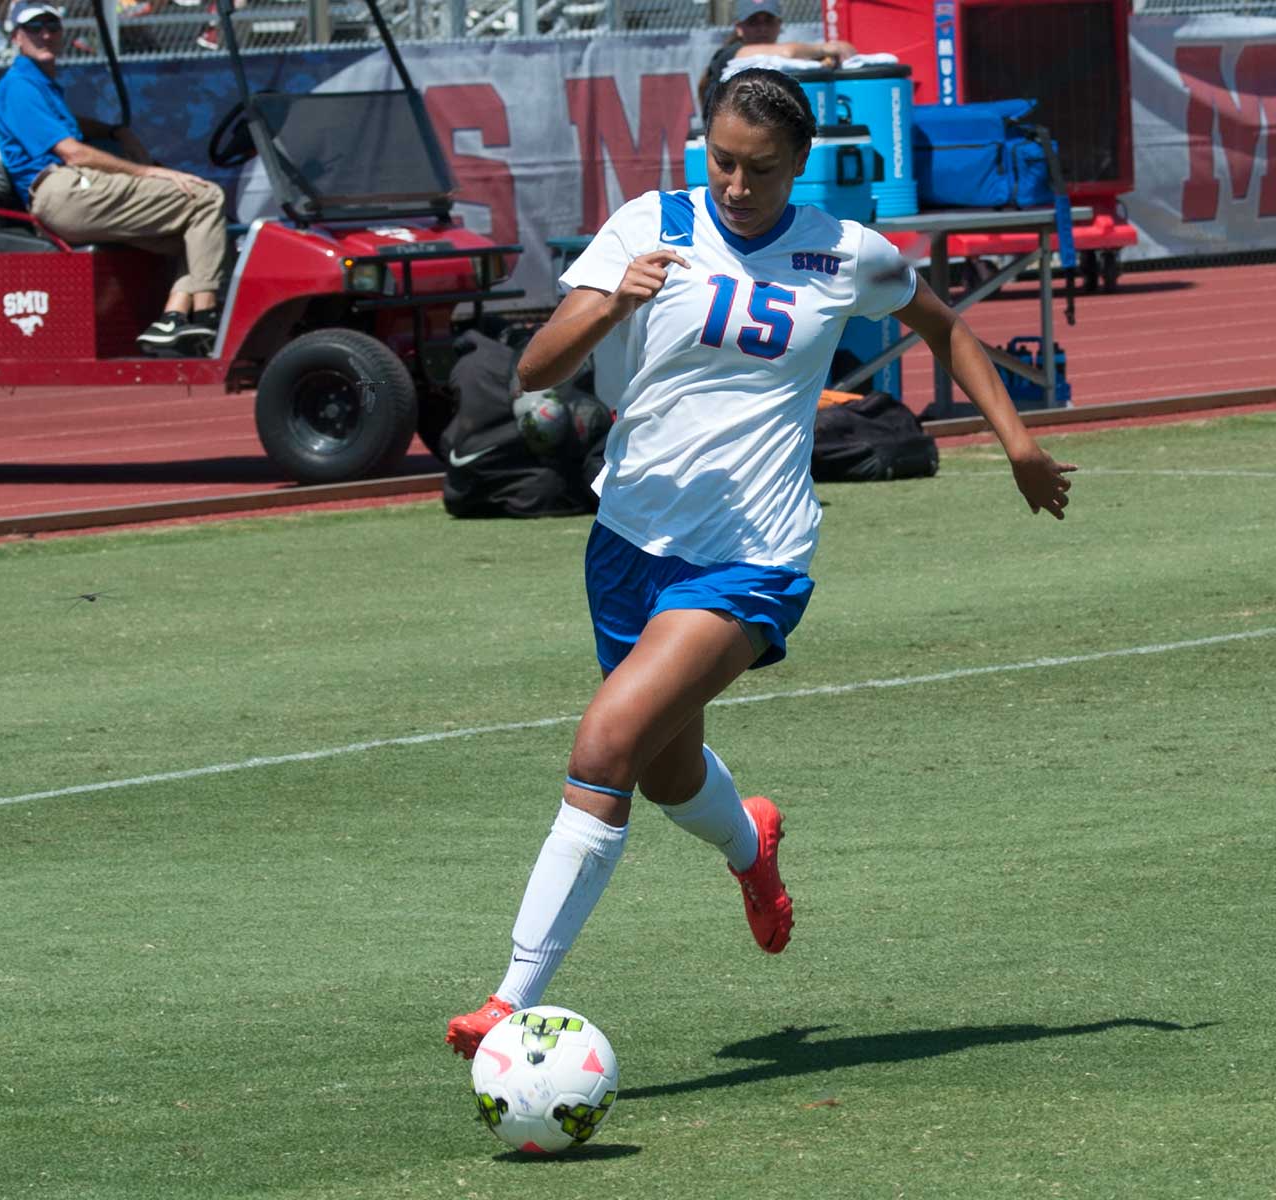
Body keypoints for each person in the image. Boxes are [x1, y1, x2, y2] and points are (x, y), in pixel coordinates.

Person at [444, 68, 1074, 1057]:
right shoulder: (650, 225)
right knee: (665, 773)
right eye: (724, 163)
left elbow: (946, 327)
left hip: (754, 558)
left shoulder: (843, 252)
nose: (738, 186)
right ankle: (751, 843)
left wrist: (1019, 445)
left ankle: (507, 1002)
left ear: (800, 163)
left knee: (605, 746)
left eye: (763, 170)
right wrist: (612, 305)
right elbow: (535, 371)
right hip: (628, 545)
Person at [0, 0, 228, 356]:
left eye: (52, 26)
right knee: (205, 196)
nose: (45, 34)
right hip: (61, 191)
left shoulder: (40, 84)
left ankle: (174, 319)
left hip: (75, 189)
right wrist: (148, 171)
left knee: (195, 234)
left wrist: (116, 131)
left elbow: (70, 125)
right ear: (16, 37)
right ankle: (208, 316)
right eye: (34, 28)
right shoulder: (19, 85)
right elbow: (73, 151)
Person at [697, 0, 858, 111]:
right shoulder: (728, 55)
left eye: (768, 20)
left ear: (779, 24)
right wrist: (825, 48)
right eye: (753, 22)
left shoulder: (782, 61)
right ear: (739, 28)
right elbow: (789, 52)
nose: (762, 28)